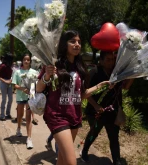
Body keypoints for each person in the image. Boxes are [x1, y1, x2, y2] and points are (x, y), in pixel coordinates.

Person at [36, 30, 111, 165]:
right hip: (57, 116)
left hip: (74, 115)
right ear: (64, 44)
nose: (77, 44)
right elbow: (38, 88)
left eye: (79, 42)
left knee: (62, 159)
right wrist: (46, 76)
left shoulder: (80, 67)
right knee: (71, 162)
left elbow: (81, 95)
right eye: (73, 41)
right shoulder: (52, 64)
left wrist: (100, 86)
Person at [80, 51, 133, 165]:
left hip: (112, 112)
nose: (111, 62)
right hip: (96, 112)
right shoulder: (95, 72)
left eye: (112, 59)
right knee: (93, 133)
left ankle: (116, 161)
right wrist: (96, 106)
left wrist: (133, 76)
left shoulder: (117, 72)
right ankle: (84, 151)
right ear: (101, 61)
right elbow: (86, 93)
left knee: (114, 136)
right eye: (108, 59)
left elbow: (125, 88)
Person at [12, 54, 39, 149]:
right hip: (20, 97)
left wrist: (32, 91)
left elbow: (37, 84)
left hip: (30, 97)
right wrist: (22, 88)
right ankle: (18, 128)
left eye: (28, 60)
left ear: (30, 61)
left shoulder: (34, 72)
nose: (26, 61)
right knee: (19, 115)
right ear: (22, 61)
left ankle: (29, 138)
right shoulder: (17, 72)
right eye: (25, 60)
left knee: (28, 117)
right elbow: (14, 85)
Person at [0, 53, 13, 120]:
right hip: (4, 82)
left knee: (10, 99)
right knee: (4, 99)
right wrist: (4, 81)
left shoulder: (10, 66)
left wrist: (11, 80)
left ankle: (8, 113)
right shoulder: (3, 65)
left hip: (10, 82)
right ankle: (2, 115)